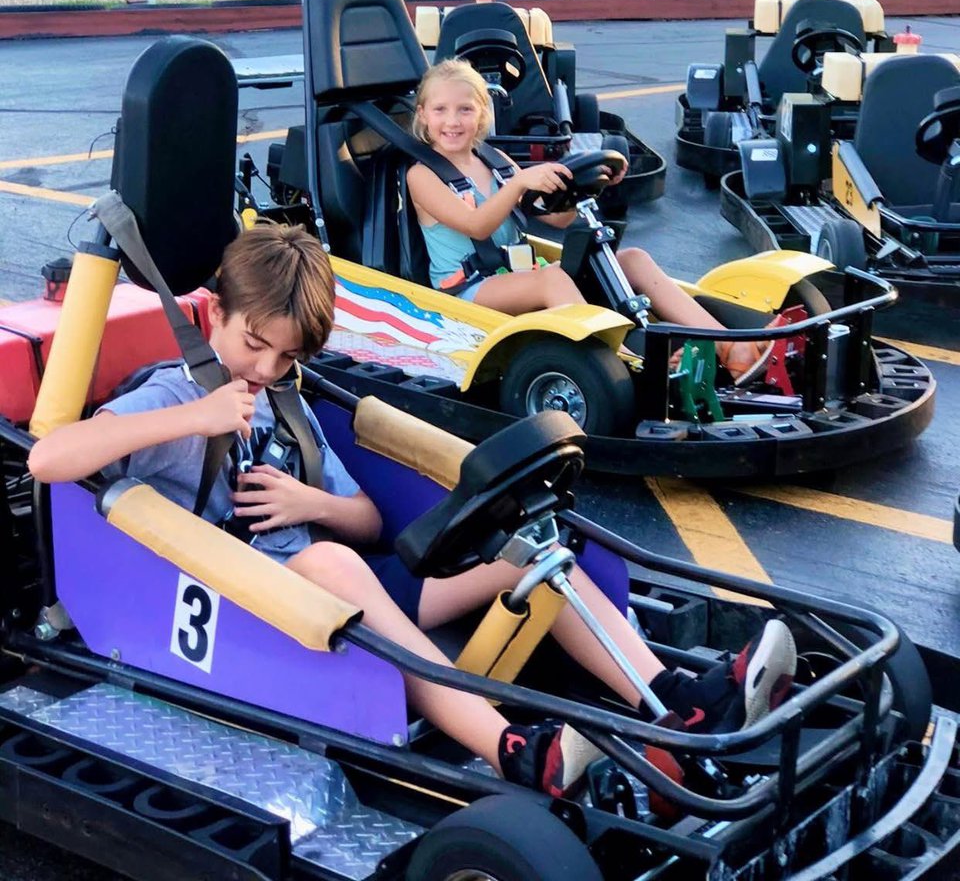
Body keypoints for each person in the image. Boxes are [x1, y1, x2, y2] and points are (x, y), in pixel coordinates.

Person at [28, 223, 796, 799]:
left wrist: (311, 501)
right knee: (331, 565)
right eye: (254, 345)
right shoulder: (173, 396)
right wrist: (193, 419)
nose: (265, 368)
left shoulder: (284, 403)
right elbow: (50, 460)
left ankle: (676, 704)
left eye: (286, 357)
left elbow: (366, 519)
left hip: (346, 595)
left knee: (532, 545)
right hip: (252, 607)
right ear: (214, 316)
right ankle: (514, 752)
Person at [406, 60, 772, 382]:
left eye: (465, 109)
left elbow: (556, 219)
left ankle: (730, 345)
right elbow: (476, 226)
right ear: (423, 115)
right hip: (466, 291)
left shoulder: (495, 160)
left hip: (515, 276)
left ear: (482, 113)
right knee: (552, 279)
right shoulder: (422, 176)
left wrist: (590, 186)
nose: (452, 121)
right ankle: (624, 363)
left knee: (632, 259)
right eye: (440, 110)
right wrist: (519, 182)